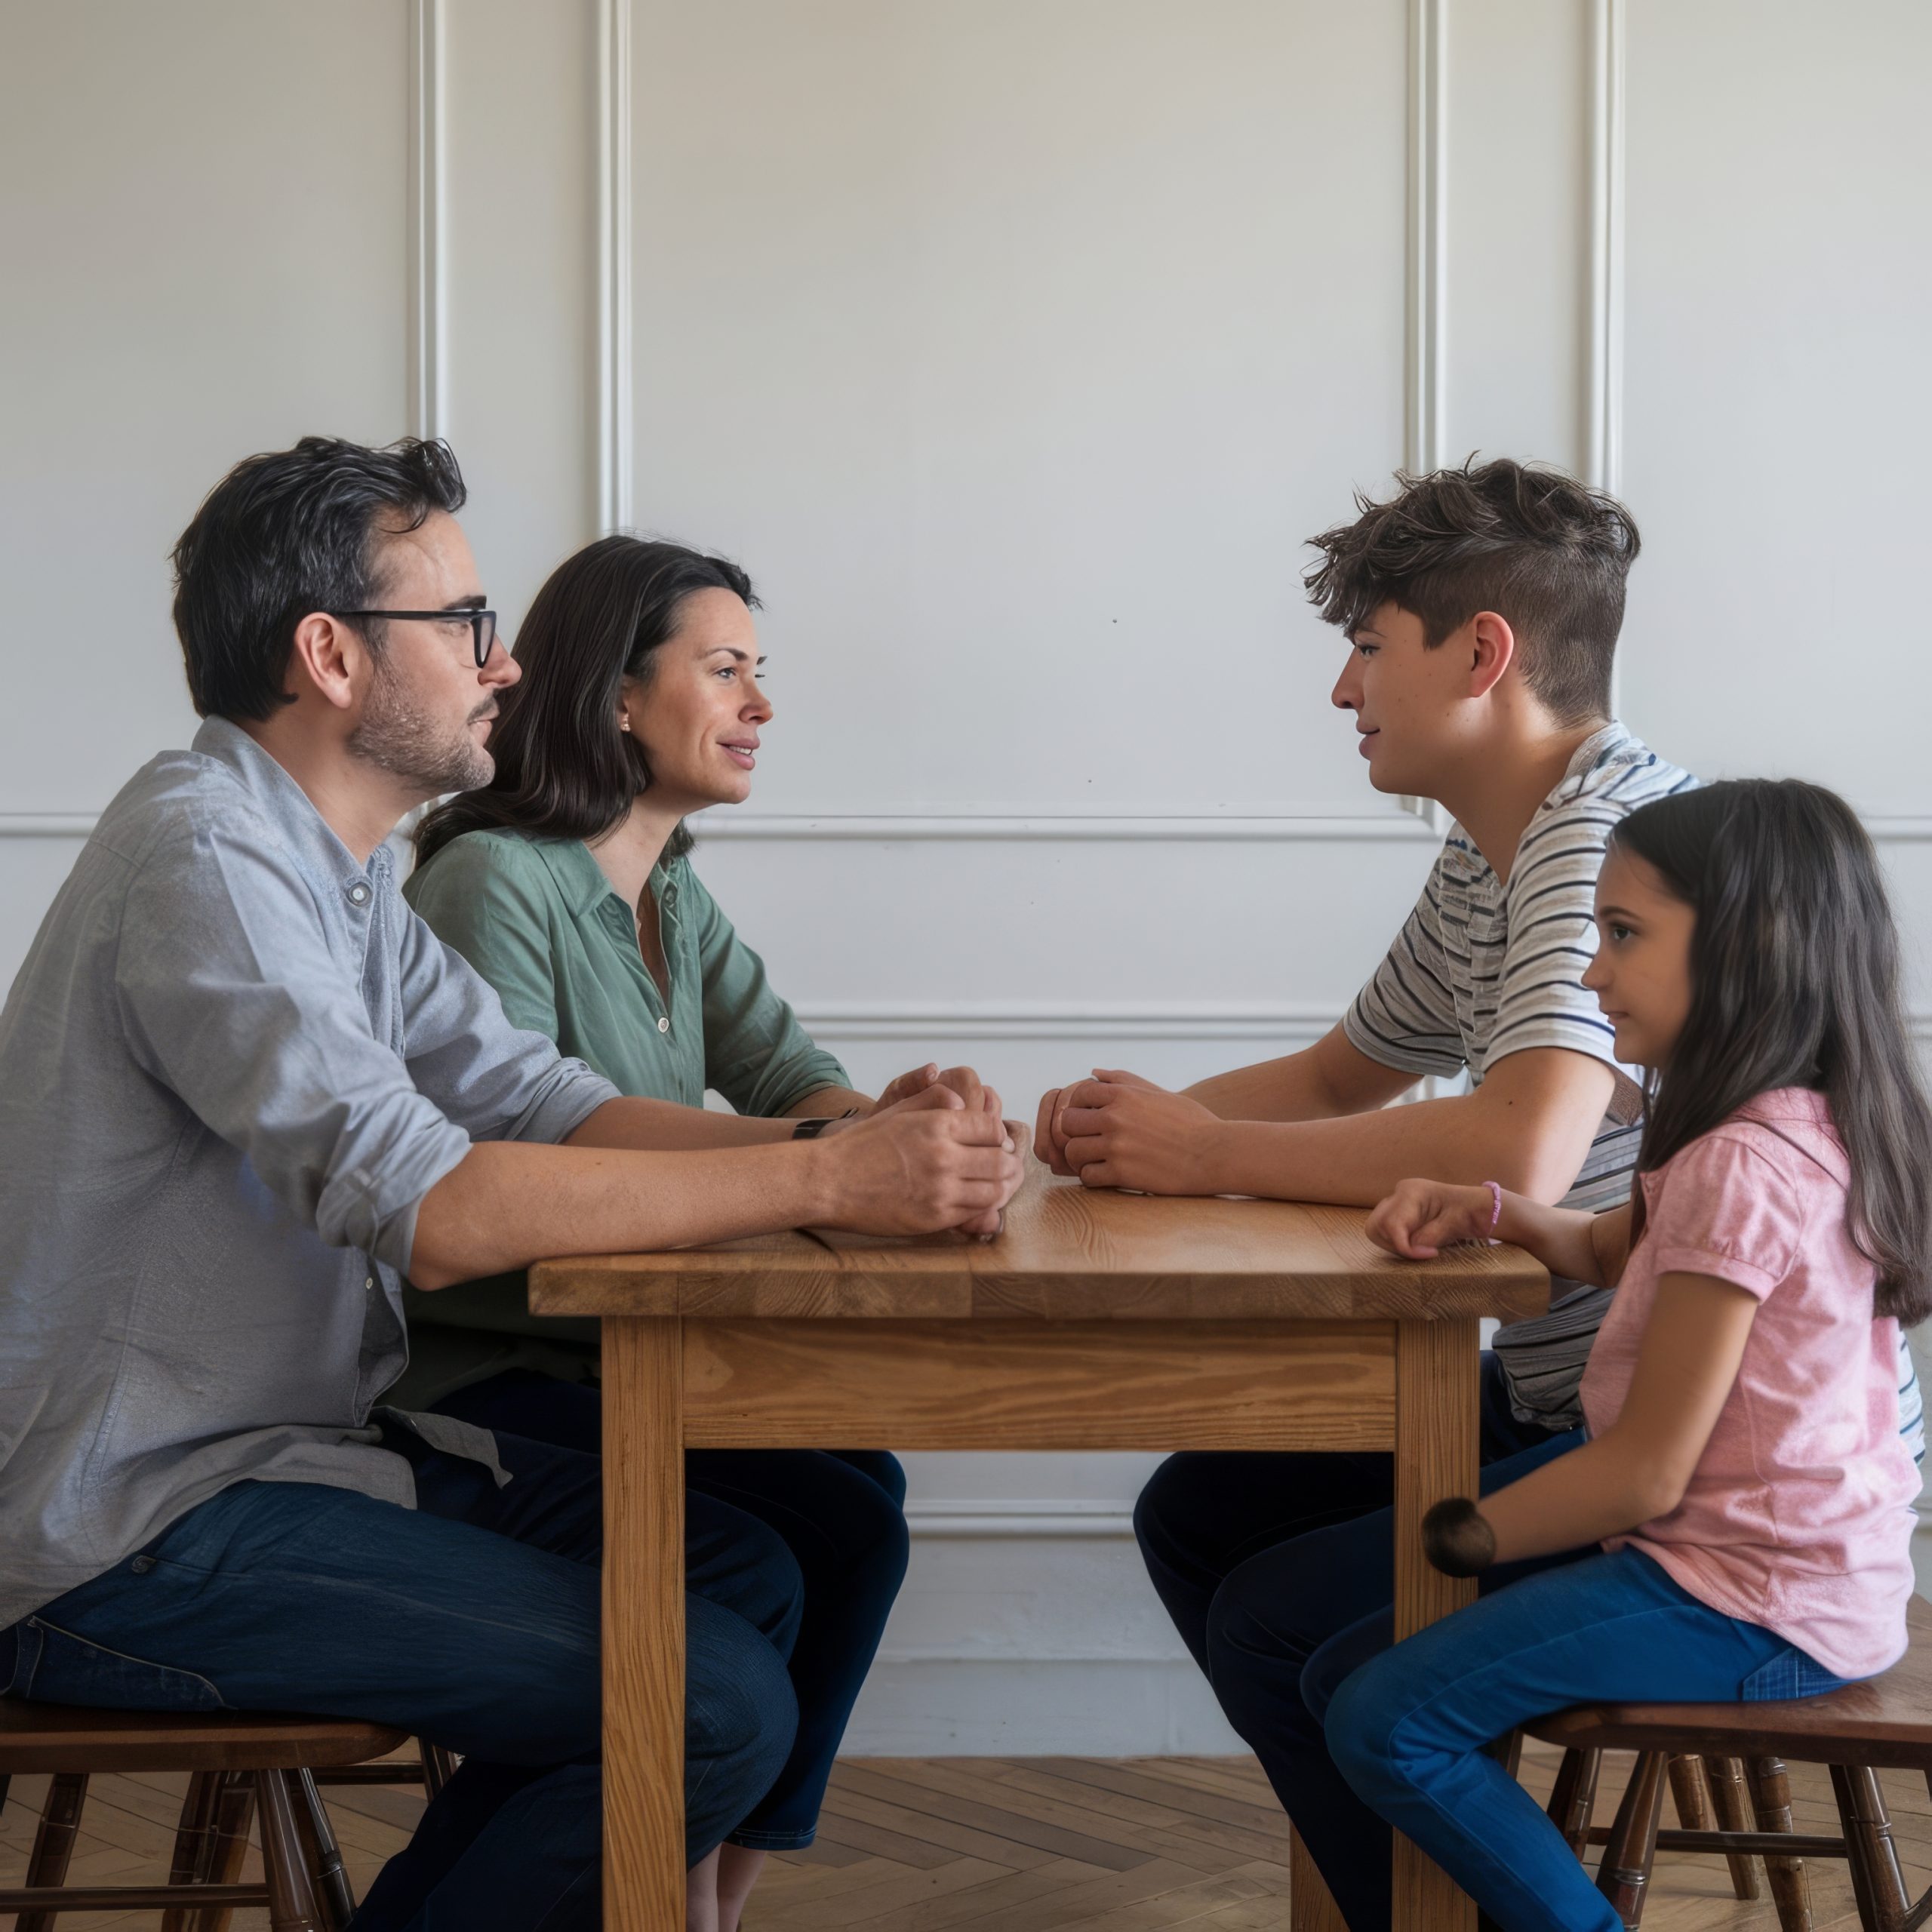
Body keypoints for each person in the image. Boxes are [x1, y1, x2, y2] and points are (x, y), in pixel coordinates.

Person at [0, 436, 1023, 1932]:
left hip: (286, 1459)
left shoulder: (334, 871)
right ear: (331, 654)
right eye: (467, 622)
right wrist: (835, 1176)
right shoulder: (207, 859)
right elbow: (440, 1203)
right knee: (709, 1698)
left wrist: (841, 1151)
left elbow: (547, 1102)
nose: (510, 657)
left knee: (749, 1562)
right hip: (127, 1524)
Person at [1033, 458, 1924, 1912]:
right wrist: (1080, 1138)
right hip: (1602, 1399)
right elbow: (1342, 1080)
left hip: (1727, 1478)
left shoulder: (1608, 850)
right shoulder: (1492, 851)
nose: (1342, 692)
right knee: (1203, 1515)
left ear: (1483, 653)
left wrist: (1202, 1156)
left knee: (1291, 1632)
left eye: (1367, 647)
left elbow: (1524, 1144)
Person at [398, 533, 1005, 1921]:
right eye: (725, 670)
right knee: (799, 1541)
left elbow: (793, 1075)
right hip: (490, 1376)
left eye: (758, 672)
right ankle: (655, 1890)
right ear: (616, 695)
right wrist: (850, 1157)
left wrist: (909, 1120)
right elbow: (510, 1156)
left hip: (634, 1361)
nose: (760, 704)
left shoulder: (668, 887)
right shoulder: (494, 878)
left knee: (861, 1503)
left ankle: (707, 1899)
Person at [1320, 778, 1927, 1930]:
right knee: (1355, 1664)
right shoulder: (1785, 1123)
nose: (1592, 970)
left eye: (1625, 933)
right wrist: (1495, 1209)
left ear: (1753, 945)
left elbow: (1646, 1472)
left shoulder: (1742, 1165)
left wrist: (1454, 1535)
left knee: (1383, 1716)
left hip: (1750, 1601)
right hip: (1792, 1576)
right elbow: (1613, 1249)